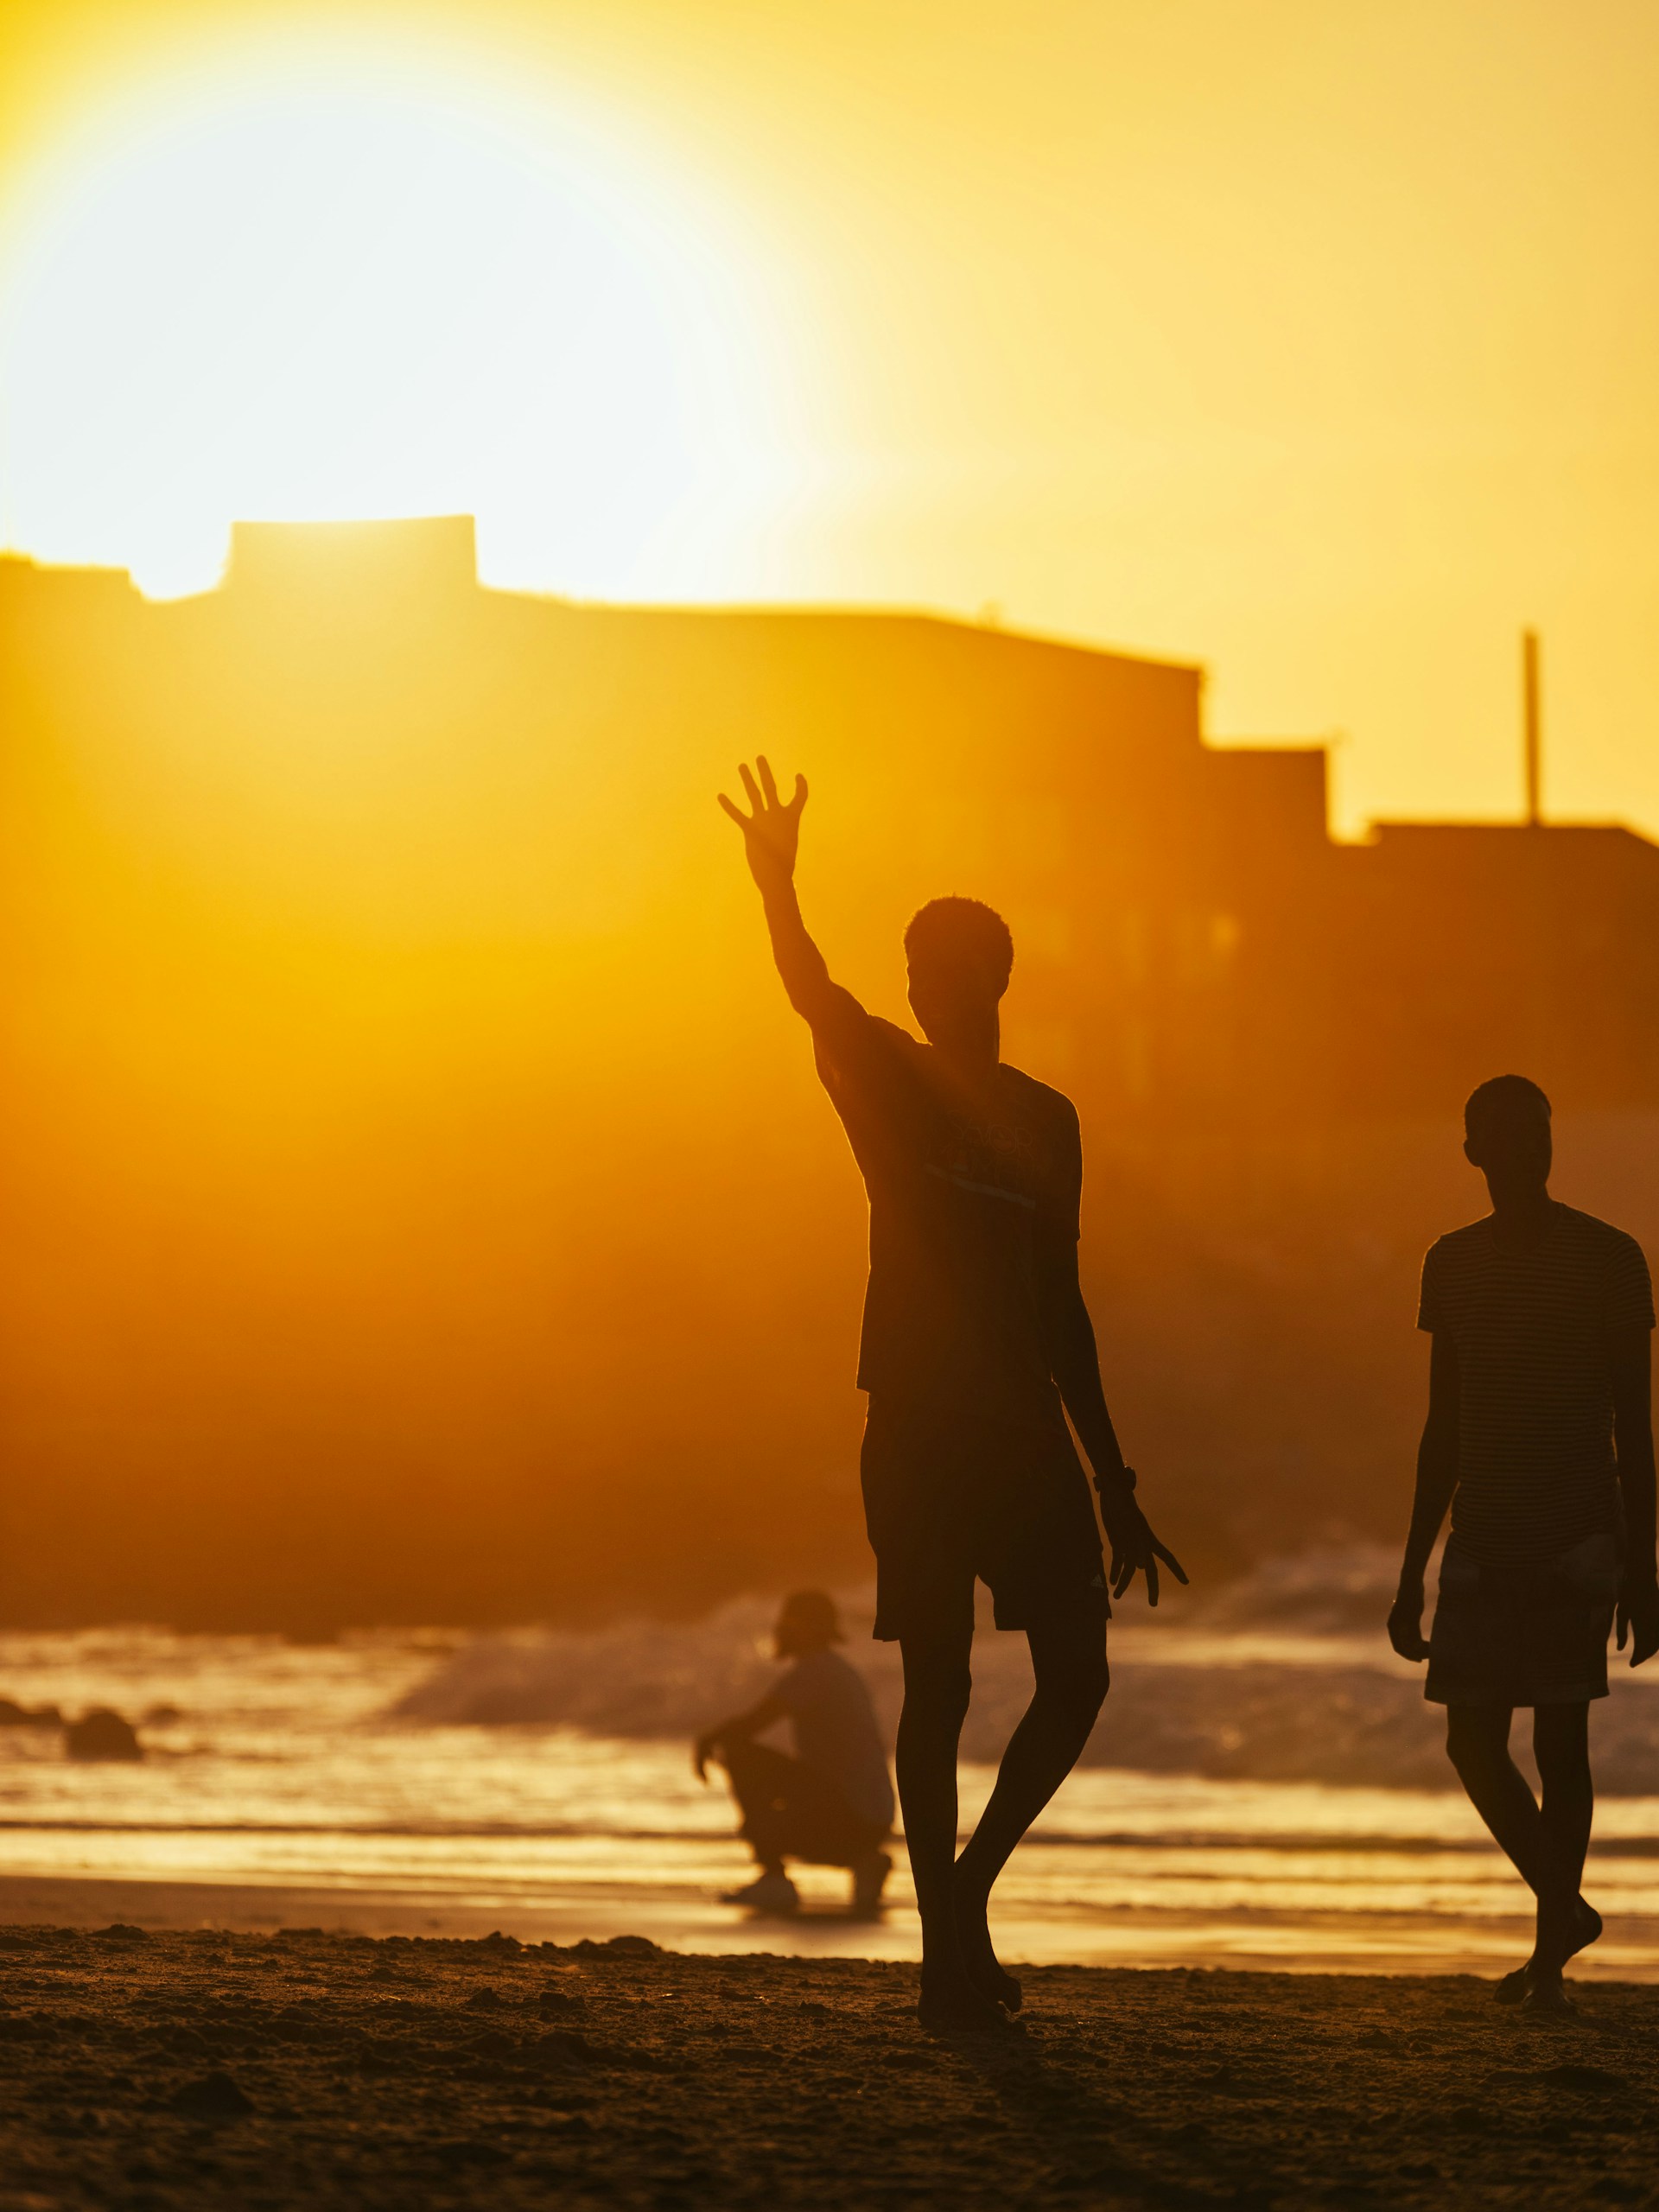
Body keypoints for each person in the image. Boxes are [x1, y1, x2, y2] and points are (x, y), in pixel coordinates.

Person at [718, 757, 1184, 2028]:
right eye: (913, 965)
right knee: (939, 1685)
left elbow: (1063, 1309)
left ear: (991, 981)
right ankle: (945, 1952)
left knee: (1077, 1678)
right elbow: (814, 998)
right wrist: (778, 887)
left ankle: (964, 1893)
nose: (920, 981)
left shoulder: (1048, 1120)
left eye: (940, 966)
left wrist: (1116, 1479)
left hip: (1026, 1430)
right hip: (917, 1426)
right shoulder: (883, 1076)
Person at [1389, 1075, 1659, 2014]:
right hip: (1484, 1532)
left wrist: (1644, 1568)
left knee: (1563, 1741)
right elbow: (1443, 1425)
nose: (1526, 1147)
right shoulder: (1450, 1263)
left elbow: (1638, 1426)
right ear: (1474, 1152)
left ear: (1553, 1144)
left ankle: (1549, 1957)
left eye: (1537, 1130)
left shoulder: (1612, 1258)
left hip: (1579, 1531)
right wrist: (1411, 1568)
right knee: (1472, 1741)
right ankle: (1564, 1908)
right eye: (1506, 1134)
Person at [695, 1589, 895, 1916]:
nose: (779, 1630)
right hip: (871, 1822)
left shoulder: (815, 1671)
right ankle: (864, 1860)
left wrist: (708, 1740)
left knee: (737, 1751)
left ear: (811, 1627)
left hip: (848, 1817)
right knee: (774, 1800)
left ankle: (774, 1878)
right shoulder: (838, 1670)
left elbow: (751, 1725)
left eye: (789, 1622)